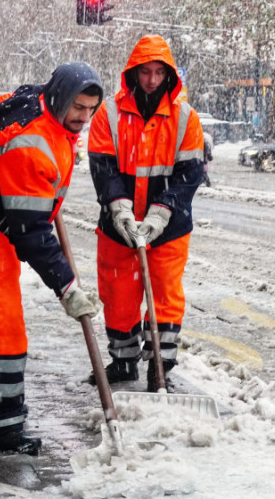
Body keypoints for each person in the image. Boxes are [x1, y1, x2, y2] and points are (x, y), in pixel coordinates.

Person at [0, 62, 104, 455]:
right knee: (6, 320)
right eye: (78, 107)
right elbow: (31, 234)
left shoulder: (46, 108)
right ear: (61, 97)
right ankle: (4, 427)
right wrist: (67, 287)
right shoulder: (32, 141)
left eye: (91, 109)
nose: (84, 117)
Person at [87, 35, 204, 393]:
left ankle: (160, 365)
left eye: (158, 73)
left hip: (168, 228)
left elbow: (189, 175)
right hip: (117, 227)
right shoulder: (108, 114)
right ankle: (123, 362)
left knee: (166, 295)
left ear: (169, 75)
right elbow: (103, 167)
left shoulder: (185, 118)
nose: (152, 80)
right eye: (146, 72)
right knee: (119, 294)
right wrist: (120, 208)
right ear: (133, 73)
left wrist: (162, 211)